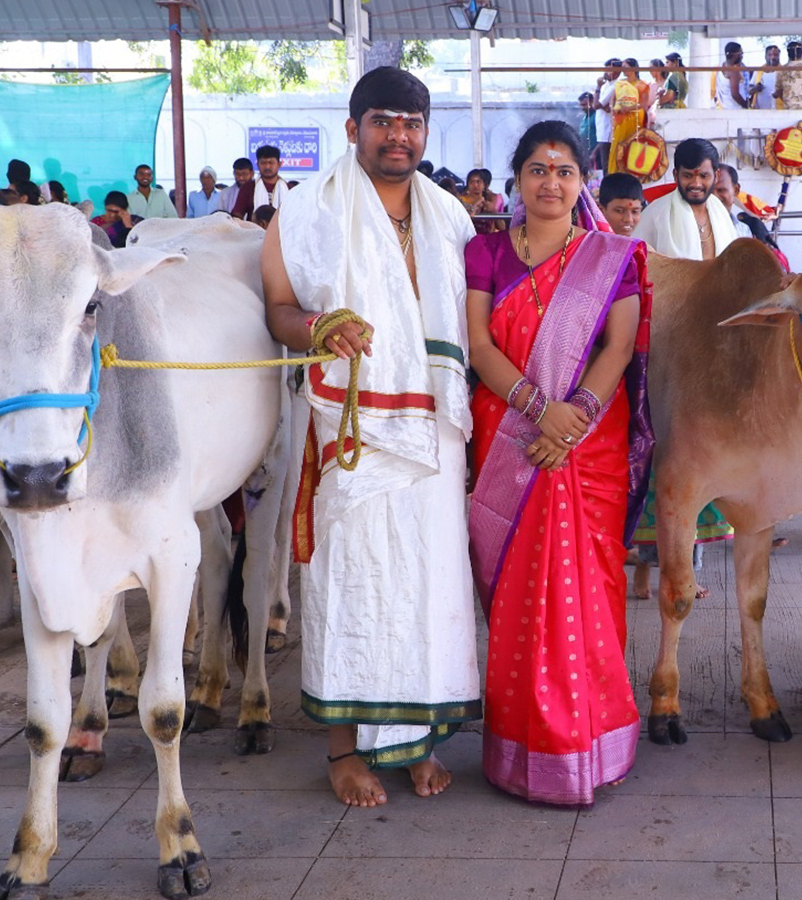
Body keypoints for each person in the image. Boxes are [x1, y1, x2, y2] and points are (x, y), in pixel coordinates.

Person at [262, 66, 482, 808]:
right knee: (351, 581)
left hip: (435, 429)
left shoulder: (450, 215)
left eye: (413, 122)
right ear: (353, 127)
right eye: (384, 120)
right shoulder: (305, 212)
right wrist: (317, 326)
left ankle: (415, 738)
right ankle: (342, 750)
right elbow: (279, 309)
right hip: (351, 429)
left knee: (427, 582)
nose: (400, 135)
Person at [465, 119, 653, 805]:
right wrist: (539, 410)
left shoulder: (613, 255)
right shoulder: (483, 254)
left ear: (584, 183)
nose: (552, 181)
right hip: (513, 431)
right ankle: (523, 750)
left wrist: (570, 420)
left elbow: (619, 347)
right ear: (517, 177)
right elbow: (480, 346)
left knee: (588, 592)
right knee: (520, 595)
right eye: (539, 169)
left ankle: (591, 741)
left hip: (588, 437)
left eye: (565, 170)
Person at [632, 138, 736, 261]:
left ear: (716, 176)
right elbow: (634, 267)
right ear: (676, 175)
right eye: (688, 176)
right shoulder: (655, 214)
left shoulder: (720, 212)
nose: (696, 184)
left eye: (704, 176)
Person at [609, 59, 649, 174]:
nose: (623, 70)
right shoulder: (620, 83)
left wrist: (628, 109)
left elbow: (644, 104)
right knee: (617, 146)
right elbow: (613, 99)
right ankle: (615, 175)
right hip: (620, 118)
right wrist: (613, 109)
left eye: (626, 67)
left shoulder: (642, 85)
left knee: (632, 147)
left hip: (635, 118)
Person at [593, 59, 622, 172]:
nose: (605, 73)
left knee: (607, 165)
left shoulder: (615, 86)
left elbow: (596, 105)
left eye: (608, 70)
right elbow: (600, 106)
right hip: (601, 130)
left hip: (608, 131)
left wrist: (598, 88)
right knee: (603, 164)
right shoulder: (606, 85)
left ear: (616, 72)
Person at [775, 41, 802, 111]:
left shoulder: (782, 70)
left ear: (788, 53)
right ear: (801, 52)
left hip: (790, 109)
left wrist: (789, 100)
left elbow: (778, 91)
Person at [599, 172, 644, 237]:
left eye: (635, 211)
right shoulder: (590, 243)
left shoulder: (641, 245)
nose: (628, 219)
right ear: (601, 210)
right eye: (619, 211)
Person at [462, 167, 505, 235]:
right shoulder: (461, 201)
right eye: (471, 182)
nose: (475, 185)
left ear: (484, 185)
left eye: (478, 182)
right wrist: (474, 206)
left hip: (487, 241)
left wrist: (494, 211)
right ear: (468, 185)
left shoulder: (489, 202)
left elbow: (502, 228)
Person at [748, 45, 780, 111]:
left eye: (776, 55)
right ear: (765, 56)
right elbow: (749, 90)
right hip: (759, 113)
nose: (773, 57)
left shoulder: (784, 72)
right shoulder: (758, 71)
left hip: (779, 112)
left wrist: (780, 93)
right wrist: (755, 88)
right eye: (770, 55)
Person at [716, 42, 747, 109]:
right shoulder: (733, 71)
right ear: (734, 55)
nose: (742, 56)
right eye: (741, 54)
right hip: (735, 110)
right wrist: (746, 105)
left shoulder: (722, 66)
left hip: (725, 108)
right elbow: (735, 95)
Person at [578, 91, 597, 158]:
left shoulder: (597, 117)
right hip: (586, 155)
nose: (582, 108)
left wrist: (594, 154)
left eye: (585, 105)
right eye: (581, 105)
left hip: (596, 156)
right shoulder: (585, 117)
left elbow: (603, 139)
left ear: (592, 102)